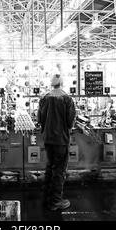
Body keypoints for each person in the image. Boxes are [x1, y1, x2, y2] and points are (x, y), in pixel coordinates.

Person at [37, 74, 76, 211]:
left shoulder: (44, 98)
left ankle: (47, 196)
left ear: (51, 84)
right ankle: (55, 202)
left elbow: (39, 119)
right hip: (61, 140)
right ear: (62, 82)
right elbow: (71, 121)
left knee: (50, 167)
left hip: (48, 139)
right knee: (59, 170)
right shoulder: (67, 98)